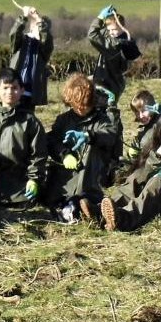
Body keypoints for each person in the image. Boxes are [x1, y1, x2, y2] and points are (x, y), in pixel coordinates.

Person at [45, 73, 120, 223]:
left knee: (90, 148)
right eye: (75, 104)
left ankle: (86, 203)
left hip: (94, 172)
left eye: (84, 105)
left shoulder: (102, 119)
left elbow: (110, 135)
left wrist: (89, 136)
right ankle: (72, 206)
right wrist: (64, 154)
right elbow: (51, 140)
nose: (80, 108)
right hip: (66, 172)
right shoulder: (63, 120)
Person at [0, 69, 48, 207]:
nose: (10, 92)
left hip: (21, 179)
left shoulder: (30, 121)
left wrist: (34, 179)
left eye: (14, 88)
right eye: (5, 88)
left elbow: (39, 154)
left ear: (22, 90)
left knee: (28, 200)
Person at [90, 4, 141, 100]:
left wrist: (100, 18)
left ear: (122, 28)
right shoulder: (122, 39)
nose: (111, 32)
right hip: (113, 84)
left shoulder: (115, 44)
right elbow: (104, 32)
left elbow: (93, 35)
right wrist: (107, 19)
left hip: (107, 84)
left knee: (105, 106)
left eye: (114, 29)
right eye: (109, 30)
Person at [8, 5, 53, 109]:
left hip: (31, 94)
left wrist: (39, 20)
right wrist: (24, 17)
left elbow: (46, 40)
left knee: (27, 117)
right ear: (32, 26)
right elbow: (14, 34)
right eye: (38, 26)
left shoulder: (44, 48)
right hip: (14, 90)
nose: (40, 29)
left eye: (43, 27)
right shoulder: (21, 41)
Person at [124, 89, 161, 166]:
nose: (140, 116)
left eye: (143, 111)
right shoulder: (145, 128)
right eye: (137, 112)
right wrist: (134, 151)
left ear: (153, 108)